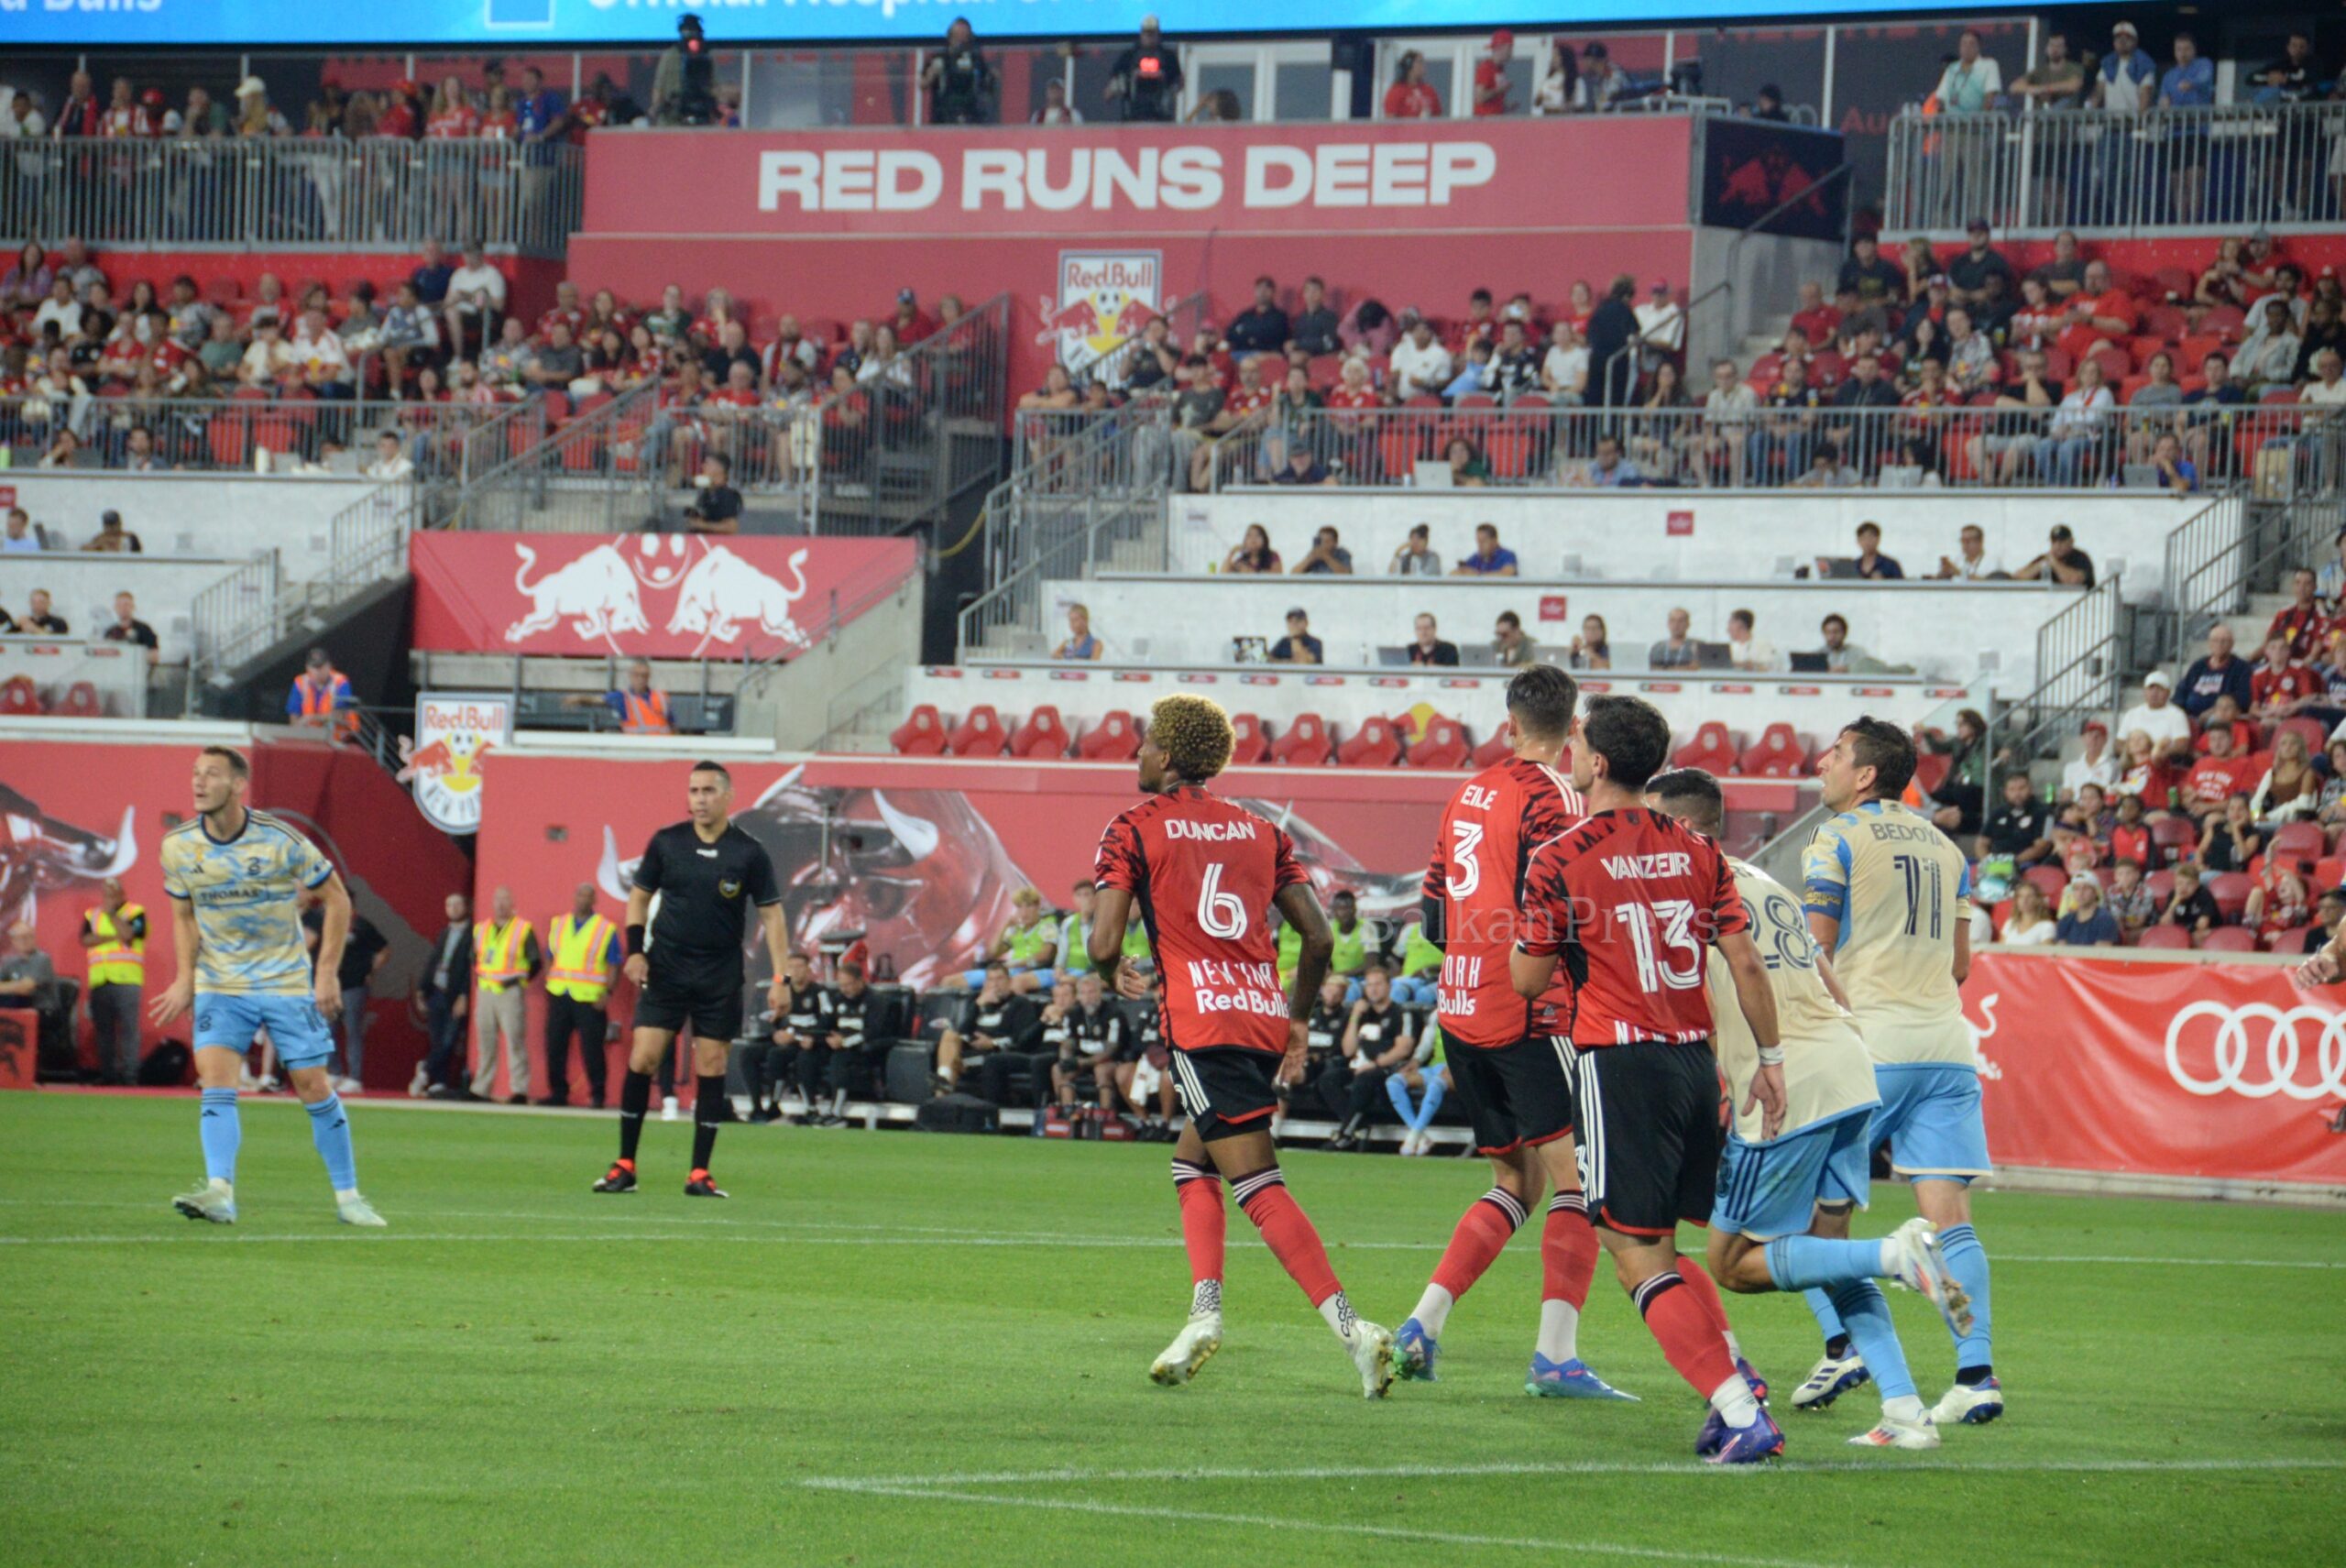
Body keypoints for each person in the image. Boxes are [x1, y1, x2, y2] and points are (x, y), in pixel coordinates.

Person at [1648, 768, 1965, 1450]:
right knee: (1829, 1254)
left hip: (1788, 1082)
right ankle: (1906, 1408)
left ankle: (1896, 1251)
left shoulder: (1683, 888)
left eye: (1650, 819)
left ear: (1679, 826)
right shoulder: (1766, 882)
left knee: (1730, 1260)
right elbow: (1831, 981)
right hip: (1850, 1067)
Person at [1088, 694, 1395, 1397]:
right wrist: (1296, 1018)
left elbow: (1104, 939)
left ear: (1166, 755)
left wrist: (1112, 969)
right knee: (1192, 1164)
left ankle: (1353, 1329)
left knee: (1257, 1182)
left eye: (1143, 742)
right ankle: (1204, 1313)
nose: (1136, 753)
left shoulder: (1133, 826)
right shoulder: (1262, 828)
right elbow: (1318, 937)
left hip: (1201, 1021)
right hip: (1258, 1015)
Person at [1509, 696, 1786, 1462]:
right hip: (1695, 1062)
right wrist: (1769, 1060)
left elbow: (1528, 979)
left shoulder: (1560, 857)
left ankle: (1739, 1408)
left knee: (1633, 1252)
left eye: (1576, 742)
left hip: (1617, 1063)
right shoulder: (1698, 852)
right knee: (1671, 1242)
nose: (1569, 750)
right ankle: (1734, 1382)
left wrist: (1534, 936)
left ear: (1597, 762)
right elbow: (1747, 962)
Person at [1388, 663, 1629, 1397]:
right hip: (1528, 1009)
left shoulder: (1467, 792)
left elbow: (1432, 913)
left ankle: (1422, 1323)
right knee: (1579, 1181)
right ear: (1574, 730)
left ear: (1509, 721)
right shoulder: (1555, 796)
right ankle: (1557, 1357)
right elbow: (1562, 900)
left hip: (1460, 1010)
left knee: (1514, 1180)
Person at [1798, 718, 1999, 1426]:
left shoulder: (1837, 836)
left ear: (1865, 775)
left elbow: (1813, 952)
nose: (1824, 760)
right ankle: (1976, 1372)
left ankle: (1845, 1344)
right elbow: (1962, 964)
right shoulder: (1948, 848)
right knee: (1951, 1223)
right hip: (1946, 1044)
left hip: (1872, 1045)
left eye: (1837, 751)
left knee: (1808, 1216)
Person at [151, 746, 385, 1227]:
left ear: (238, 785)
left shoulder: (280, 841)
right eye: (195, 773)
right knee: (216, 1081)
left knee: (312, 1085)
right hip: (221, 983)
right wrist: (184, 978)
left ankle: (348, 1197)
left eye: (211, 775)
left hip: (285, 982)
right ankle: (220, 1191)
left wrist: (324, 974)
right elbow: (182, 916)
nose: (198, 782)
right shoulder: (178, 847)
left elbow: (337, 900)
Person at [597, 762, 788, 1199]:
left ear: (727, 797)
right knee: (644, 1058)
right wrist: (636, 951)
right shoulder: (667, 843)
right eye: (693, 791)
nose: (699, 798)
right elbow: (640, 898)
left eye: (707, 791)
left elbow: (773, 915)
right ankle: (625, 1164)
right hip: (667, 967)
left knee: (712, 1066)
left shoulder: (748, 852)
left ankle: (699, 1173)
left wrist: (782, 977)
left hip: (719, 973)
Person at [542, 882, 619, 1110]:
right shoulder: (560, 924)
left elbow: (614, 964)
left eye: (588, 896)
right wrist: (549, 978)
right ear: (574, 897)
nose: (583, 899)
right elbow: (549, 954)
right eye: (580, 894)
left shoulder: (605, 929)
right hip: (559, 994)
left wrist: (608, 992)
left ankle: (597, 1094)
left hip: (589, 998)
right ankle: (557, 1092)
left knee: (592, 1049)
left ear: (594, 901)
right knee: (555, 1045)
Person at [468, 885, 541, 1105]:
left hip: (510, 991)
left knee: (514, 1041)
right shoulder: (481, 929)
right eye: (497, 900)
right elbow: (474, 957)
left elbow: (535, 961)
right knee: (486, 1041)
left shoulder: (523, 929)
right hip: (486, 990)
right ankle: (481, 1088)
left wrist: (520, 980)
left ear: (512, 905)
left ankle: (519, 1089)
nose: (500, 905)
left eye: (504, 901)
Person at [746, 950, 830, 1121]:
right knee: (748, 1053)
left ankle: (777, 1104)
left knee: (779, 1055)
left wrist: (799, 1035)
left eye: (800, 966)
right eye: (790, 967)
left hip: (803, 1041)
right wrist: (775, 1032)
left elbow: (827, 1019)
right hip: (781, 1037)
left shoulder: (819, 991)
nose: (795, 971)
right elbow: (765, 1013)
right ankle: (756, 1107)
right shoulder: (781, 986)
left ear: (808, 969)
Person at [80, 876, 144, 1085]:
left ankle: (129, 1076)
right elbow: (86, 940)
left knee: (129, 1030)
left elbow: (128, 935)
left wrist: (112, 915)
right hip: (100, 981)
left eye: (113, 892)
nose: (109, 897)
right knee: (103, 1032)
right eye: (106, 893)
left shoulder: (135, 912)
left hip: (127, 981)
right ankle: (108, 1075)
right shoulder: (91, 914)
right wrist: (113, 937)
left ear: (122, 894)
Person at [413, 894, 472, 1097]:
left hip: (454, 994)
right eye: (449, 905)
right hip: (437, 991)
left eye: (457, 904)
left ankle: (426, 1069)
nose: (453, 909)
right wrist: (422, 989)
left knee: (449, 1038)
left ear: (466, 907)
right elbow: (433, 962)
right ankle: (439, 1081)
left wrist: (464, 995)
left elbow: (470, 969)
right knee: (437, 1038)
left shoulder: (472, 934)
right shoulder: (444, 932)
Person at [1105, 16, 1183, 122]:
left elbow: (1179, 82)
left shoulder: (1169, 57)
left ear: (1158, 34)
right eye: (1147, 33)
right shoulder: (1128, 57)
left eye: (1152, 34)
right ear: (1141, 34)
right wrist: (1116, 88)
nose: (1150, 37)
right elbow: (1111, 87)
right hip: (1132, 118)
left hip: (1161, 118)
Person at [568, 660, 674, 735]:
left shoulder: (661, 697)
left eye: (644, 675)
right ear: (630, 675)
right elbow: (598, 700)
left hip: (663, 747)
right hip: (639, 749)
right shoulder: (622, 697)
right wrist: (578, 699)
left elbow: (671, 724)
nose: (641, 679)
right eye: (637, 675)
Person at [923, 17, 992, 126]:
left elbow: (987, 82)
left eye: (964, 37)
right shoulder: (940, 58)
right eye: (957, 37)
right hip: (944, 116)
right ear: (950, 37)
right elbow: (923, 84)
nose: (961, 41)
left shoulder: (975, 58)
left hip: (971, 114)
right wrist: (933, 73)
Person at [286, 648, 357, 742]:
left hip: (340, 740)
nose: (317, 671)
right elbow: (293, 718)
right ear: (307, 667)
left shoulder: (340, 682)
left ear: (329, 666)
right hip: (311, 739)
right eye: (314, 667)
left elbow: (338, 716)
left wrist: (311, 718)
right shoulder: (300, 682)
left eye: (320, 667)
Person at [1451, 522, 1518, 576]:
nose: (1480, 545)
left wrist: (1478, 576)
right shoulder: (1476, 558)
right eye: (1478, 542)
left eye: (1483, 541)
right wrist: (1464, 572)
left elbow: (1507, 574)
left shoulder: (1506, 556)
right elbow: (1452, 575)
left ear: (1494, 540)